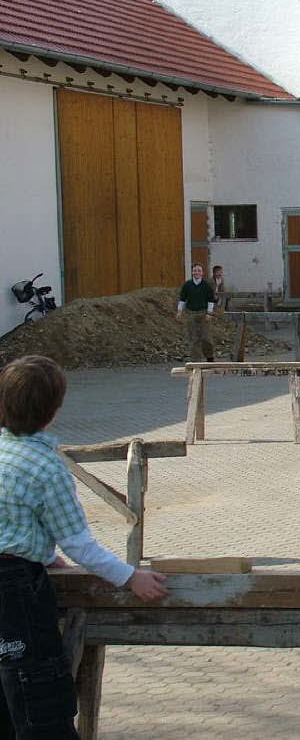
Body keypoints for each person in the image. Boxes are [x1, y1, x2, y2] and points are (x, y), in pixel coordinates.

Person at [0, 356, 168, 737]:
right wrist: (130, 577)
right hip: (15, 591)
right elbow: (79, 544)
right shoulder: (44, 466)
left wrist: (41, 554)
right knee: (37, 692)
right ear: (54, 410)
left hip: (15, 572)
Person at [176, 262, 216, 362]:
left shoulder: (206, 285)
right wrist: (179, 311)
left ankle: (209, 356)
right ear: (192, 272)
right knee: (193, 338)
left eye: (199, 270)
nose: (196, 272)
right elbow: (182, 299)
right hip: (191, 313)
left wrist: (209, 313)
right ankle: (196, 361)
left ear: (202, 273)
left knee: (206, 338)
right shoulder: (187, 285)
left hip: (203, 313)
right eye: (194, 270)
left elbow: (211, 300)